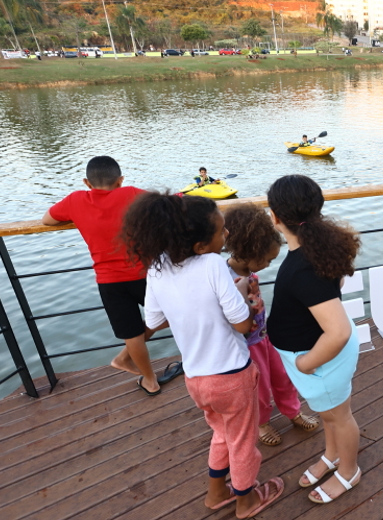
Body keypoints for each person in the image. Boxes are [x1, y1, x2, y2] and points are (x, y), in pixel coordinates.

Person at [120, 193, 284, 519]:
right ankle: (246, 500)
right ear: (199, 245)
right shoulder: (212, 264)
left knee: (221, 433)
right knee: (242, 441)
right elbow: (241, 324)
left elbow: (152, 321)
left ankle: (216, 493)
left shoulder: (157, 267)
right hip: (232, 375)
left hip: (196, 379)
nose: (226, 237)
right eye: (221, 232)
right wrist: (240, 293)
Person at [42, 156, 180, 397]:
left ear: (87, 182)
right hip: (142, 275)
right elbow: (170, 204)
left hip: (108, 281)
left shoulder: (76, 200)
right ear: (120, 180)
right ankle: (125, 358)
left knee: (131, 333)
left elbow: (47, 219)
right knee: (172, 313)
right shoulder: (131, 194)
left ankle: (149, 380)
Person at [265, 175, 363, 504]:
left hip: (319, 359)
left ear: (275, 216)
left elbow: (338, 331)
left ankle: (348, 470)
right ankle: (332, 454)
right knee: (329, 413)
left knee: (340, 416)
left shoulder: (303, 267)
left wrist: (305, 362)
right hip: (315, 354)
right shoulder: (313, 248)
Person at [223, 204, 320, 446]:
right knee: (260, 388)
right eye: (266, 260)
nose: (268, 265)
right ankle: (261, 422)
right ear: (248, 252)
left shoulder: (250, 272)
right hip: (246, 347)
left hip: (266, 336)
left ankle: (292, 410)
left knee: (283, 377)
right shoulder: (224, 278)